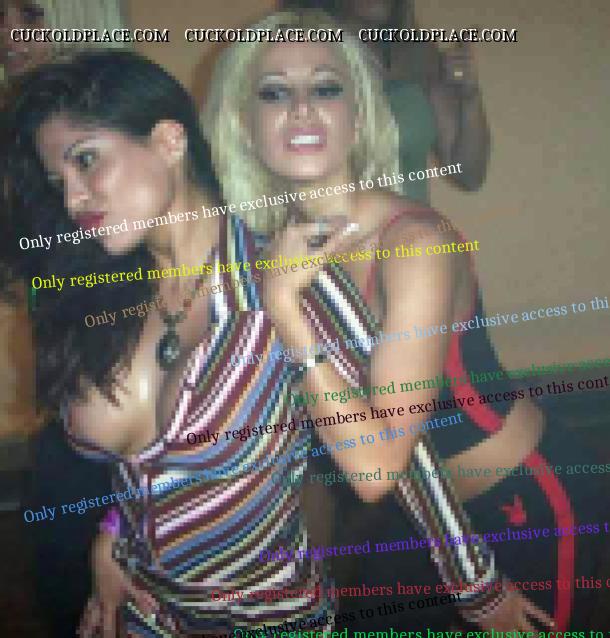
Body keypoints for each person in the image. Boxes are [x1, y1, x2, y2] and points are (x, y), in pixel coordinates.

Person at [202, 9, 606, 632]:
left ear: (359, 115)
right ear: (243, 124)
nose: (302, 109)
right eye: (274, 93)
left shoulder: (413, 243)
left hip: (524, 504)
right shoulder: (273, 249)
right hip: (424, 518)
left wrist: (285, 311)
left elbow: (377, 465)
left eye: (326, 88)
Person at [0, 49, 364, 637]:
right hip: (143, 613)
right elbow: (149, 466)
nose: (73, 200)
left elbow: (398, 450)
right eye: (58, 181)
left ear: (169, 140)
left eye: (86, 160)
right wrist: (112, 534)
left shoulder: (284, 276)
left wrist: (478, 588)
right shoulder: (103, 293)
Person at [1, 2, 126, 635]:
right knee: (59, 563)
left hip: (128, 340)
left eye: (20, 24)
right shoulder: (14, 132)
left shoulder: (102, 102)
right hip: (65, 356)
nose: (10, 41)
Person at [282, 0, 490, 203]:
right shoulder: (298, 55)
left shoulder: (419, 54)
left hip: (412, 224)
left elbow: (469, 176)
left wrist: (469, 96)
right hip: (333, 225)